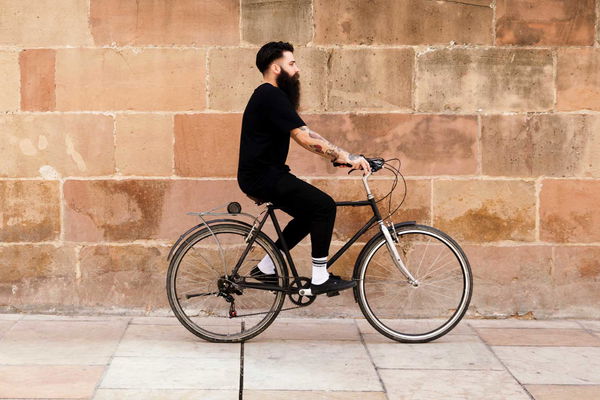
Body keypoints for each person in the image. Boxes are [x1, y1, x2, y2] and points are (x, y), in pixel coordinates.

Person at [237, 41, 371, 295]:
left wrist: (339, 156)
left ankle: (266, 268)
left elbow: (305, 133)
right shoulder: (270, 94)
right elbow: (304, 137)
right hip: (263, 176)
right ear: (276, 68)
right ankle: (319, 277)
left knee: (310, 213)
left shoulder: (272, 96)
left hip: (265, 174)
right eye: (292, 63)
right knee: (324, 206)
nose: (297, 70)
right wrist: (345, 155)